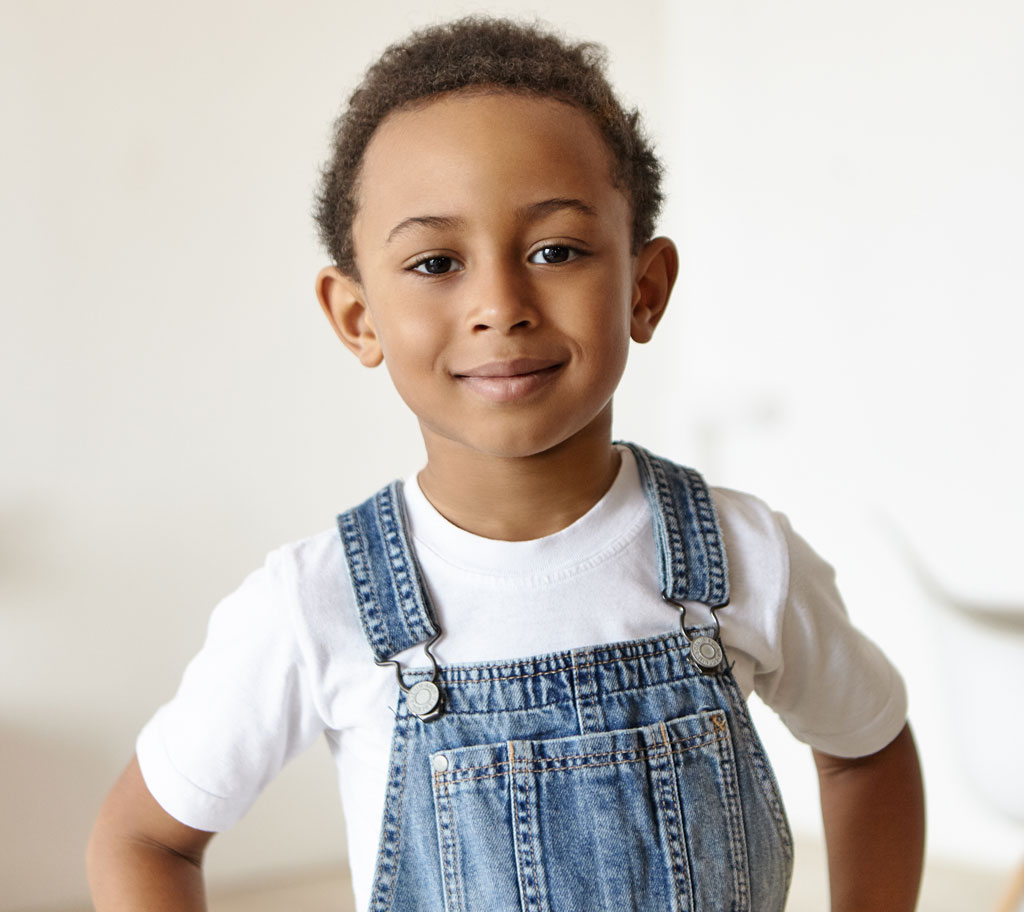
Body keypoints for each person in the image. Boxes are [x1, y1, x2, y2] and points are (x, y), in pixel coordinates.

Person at [87, 16, 925, 912]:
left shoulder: (742, 556)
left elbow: (867, 748)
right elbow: (143, 839)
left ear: (644, 288)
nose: (501, 304)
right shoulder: (315, 601)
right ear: (357, 316)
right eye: (437, 261)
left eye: (555, 250)